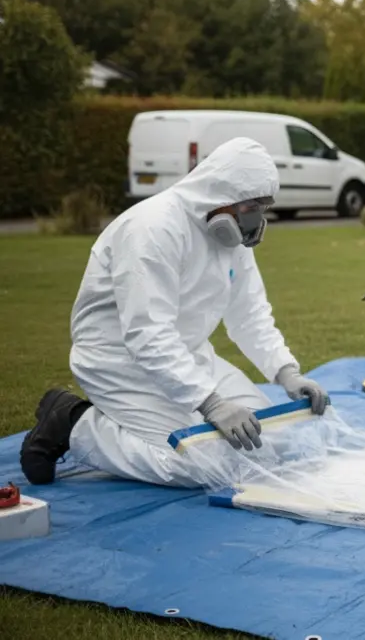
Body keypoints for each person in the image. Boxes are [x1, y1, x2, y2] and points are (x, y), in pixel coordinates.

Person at [20, 137, 329, 488]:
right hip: (121, 363)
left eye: (264, 206)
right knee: (202, 466)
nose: (258, 217)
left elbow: (249, 314)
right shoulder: (152, 228)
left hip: (189, 355)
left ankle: (169, 416)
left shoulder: (230, 235)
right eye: (251, 206)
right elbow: (147, 333)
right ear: (219, 193)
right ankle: (74, 422)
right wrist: (210, 403)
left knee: (269, 444)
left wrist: (287, 372)